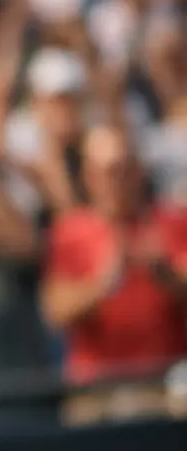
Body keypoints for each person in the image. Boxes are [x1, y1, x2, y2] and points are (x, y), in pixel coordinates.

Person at [41, 125, 187, 423]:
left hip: (163, 386)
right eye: (106, 171)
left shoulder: (171, 223)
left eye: (122, 168)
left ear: (138, 171)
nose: (115, 181)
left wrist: (163, 272)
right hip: (98, 390)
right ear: (88, 176)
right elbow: (56, 311)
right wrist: (104, 281)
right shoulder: (71, 231)